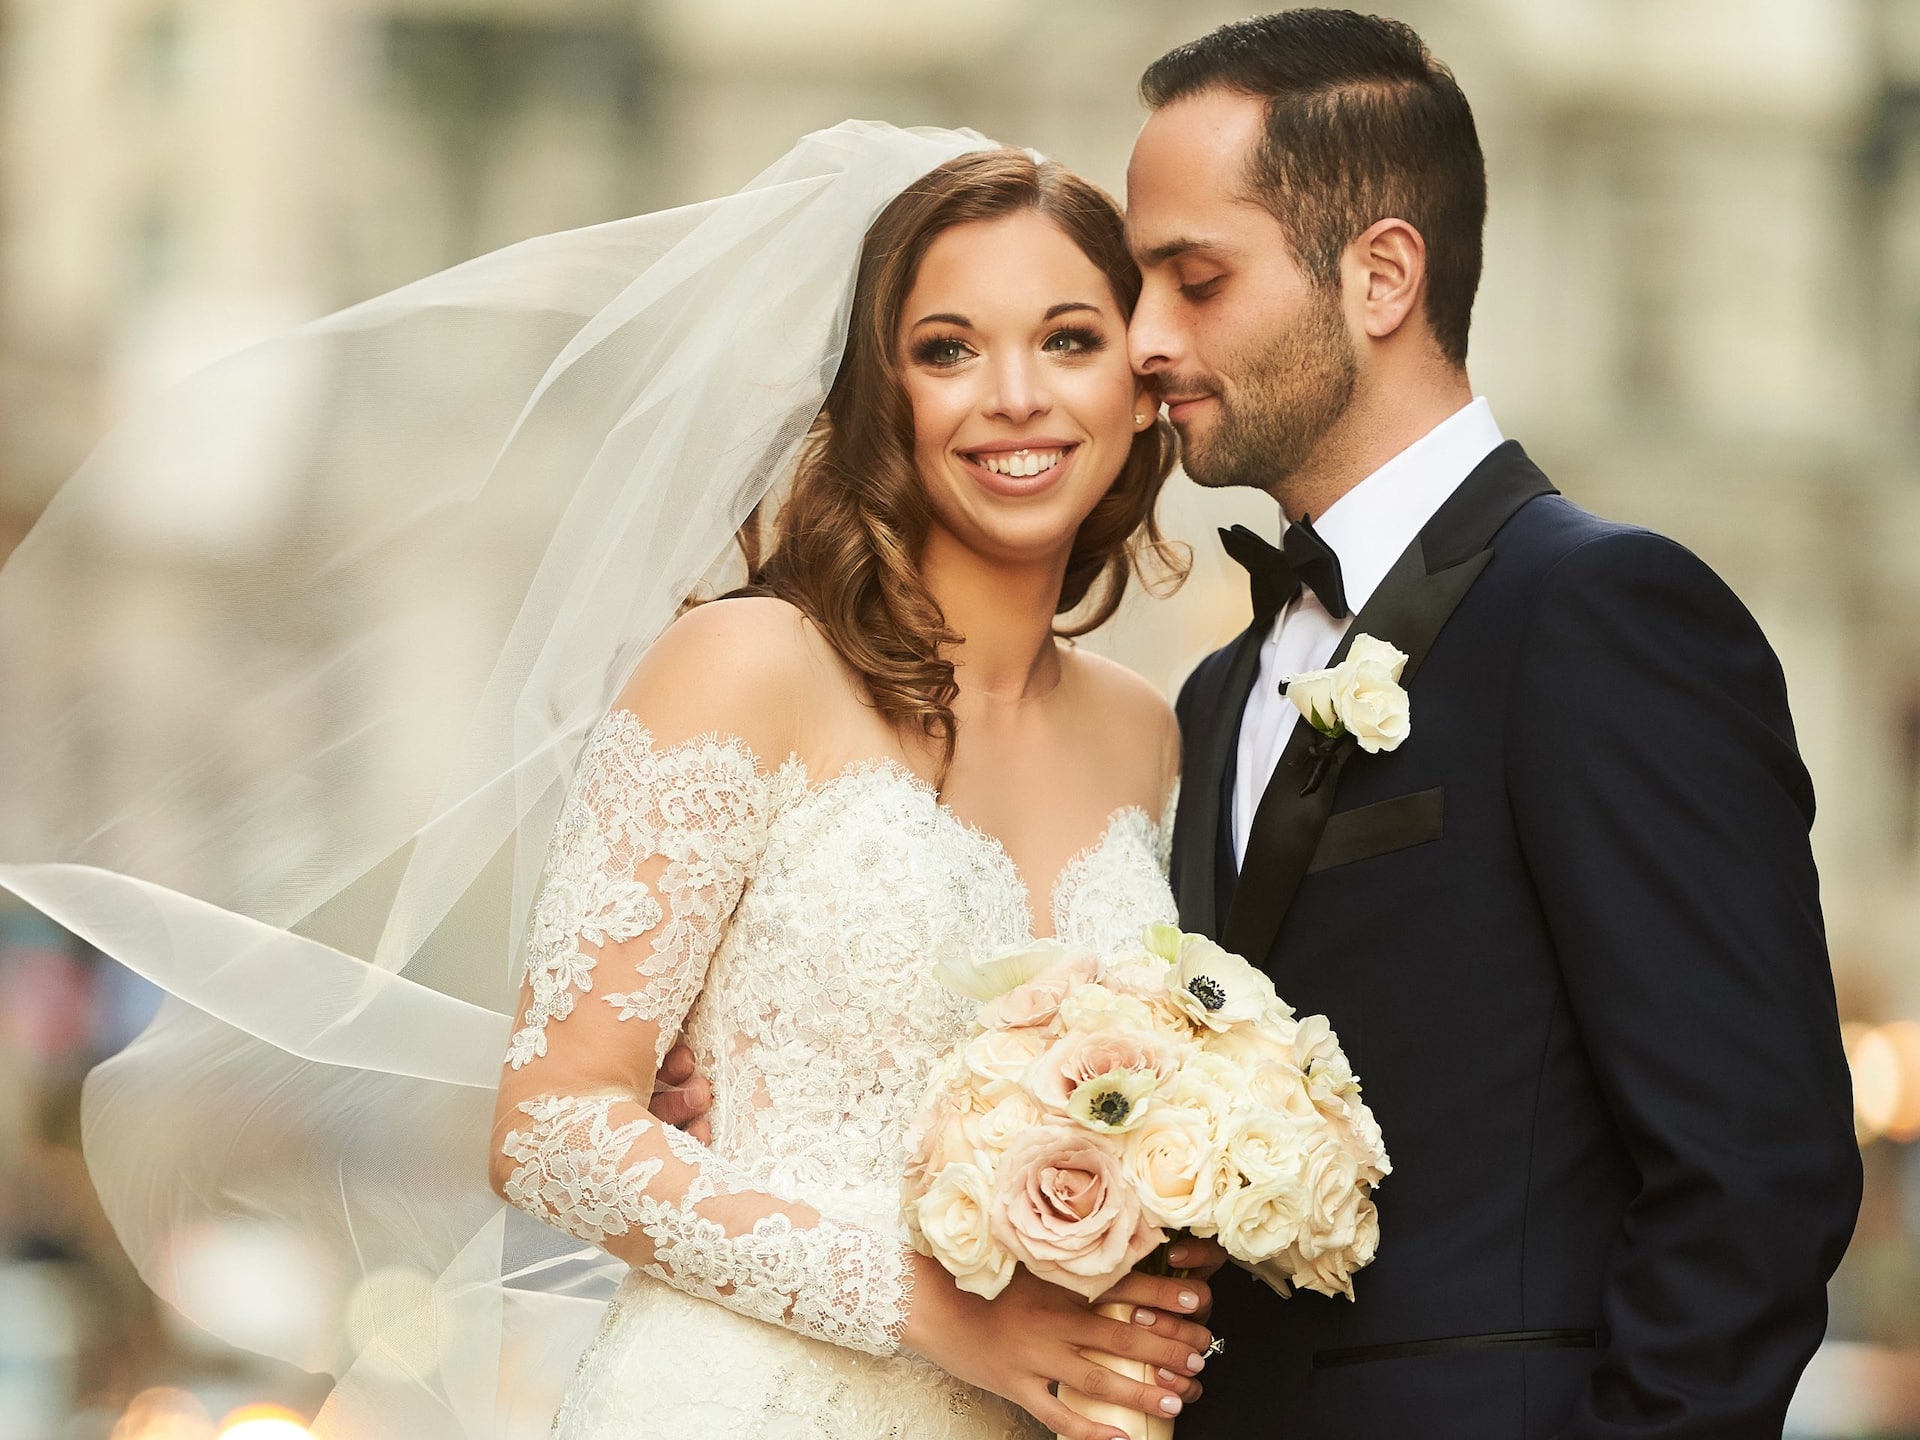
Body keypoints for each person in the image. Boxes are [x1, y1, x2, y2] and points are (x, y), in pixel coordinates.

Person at [1128, 11, 1861, 1438]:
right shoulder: (1219, 692)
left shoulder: (1604, 615)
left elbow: (1752, 1174)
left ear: (1382, 275)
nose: (1148, 339)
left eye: (1194, 279)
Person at [492, 145, 1220, 1440]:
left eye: (1067, 339)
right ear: (886, 394)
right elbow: (551, 1127)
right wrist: (933, 1311)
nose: (1012, 397)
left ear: (1142, 381)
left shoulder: (1148, 737)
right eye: (948, 349)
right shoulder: (746, 664)